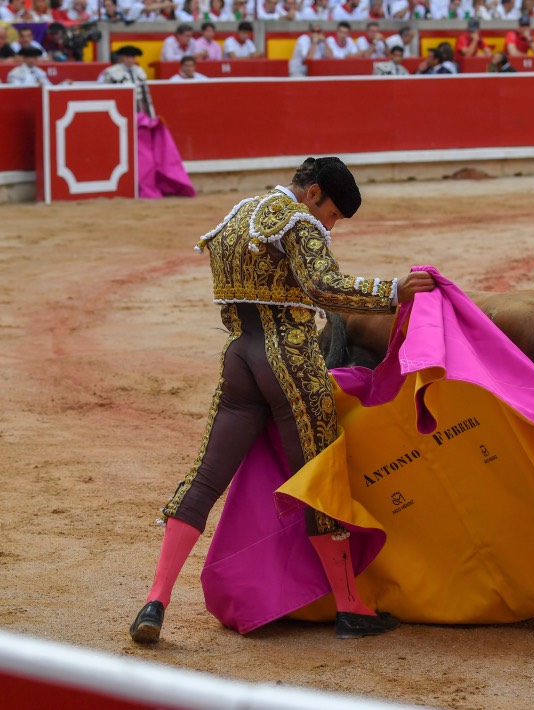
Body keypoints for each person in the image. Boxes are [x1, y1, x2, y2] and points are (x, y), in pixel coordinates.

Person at [128, 157, 436, 644]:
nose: (329, 225)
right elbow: (322, 286)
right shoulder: (299, 221)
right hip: (288, 360)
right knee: (320, 477)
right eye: (332, 214)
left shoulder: (234, 218)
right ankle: (350, 606)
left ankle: (156, 600)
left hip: (238, 357)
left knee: (206, 477)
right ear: (313, 193)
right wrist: (393, 290)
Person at [100, 45, 196, 199]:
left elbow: (147, 98)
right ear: (122, 57)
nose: (132, 60)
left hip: (140, 120)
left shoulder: (139, 72)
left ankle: (146, 187)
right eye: (129, 57)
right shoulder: (111, 73)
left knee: (146, 157)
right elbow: (106, 96)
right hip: (119, 120)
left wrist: (151, 117)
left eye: (133, 57)